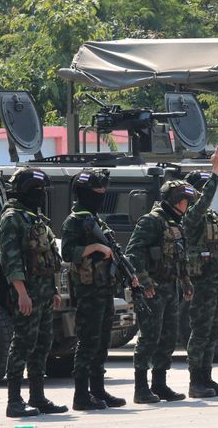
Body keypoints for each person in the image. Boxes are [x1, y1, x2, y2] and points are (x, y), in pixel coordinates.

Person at [0, 168, 68, 417]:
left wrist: (54, 290)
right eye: (36, 189)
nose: (41, 194)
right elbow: (11, 260)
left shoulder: (34, 218)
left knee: (42, 345)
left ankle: (37, 397)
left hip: (44, 293)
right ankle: (14, 401)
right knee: (23, 344)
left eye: (42, 190)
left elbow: (47, 256)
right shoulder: (13, 219)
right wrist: (22, 293)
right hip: (27, 294)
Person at [61, 168, 126, 411]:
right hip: (88, 290)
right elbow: (67, 253)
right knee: (88, 342)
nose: (101, 196)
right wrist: (95, 248)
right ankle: (81, 395)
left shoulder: (95, 219)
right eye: (97, 192)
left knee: (101, 342)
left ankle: (98, 390)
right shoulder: (74, 220)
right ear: (84, 194)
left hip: (104, 288)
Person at [126, 179, 195, 403]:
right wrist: (145, 282)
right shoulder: (151, 221)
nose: (187, 205)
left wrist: (185, 281)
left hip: (170, 288)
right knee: (149, 338)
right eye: (185, 200)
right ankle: (141, 388)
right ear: (175, 200)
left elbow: (179, 256)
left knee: (168, 338)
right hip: (153, 290)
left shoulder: (174, 223)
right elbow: (133, 252)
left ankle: (159, 384)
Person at [183, 145, 218, 398]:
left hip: (217, 277)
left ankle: (207, 377)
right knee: (201, 330)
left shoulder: (211, 216)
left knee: (214, 330)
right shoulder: (191, 215)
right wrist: (215, 171)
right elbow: (202, 202)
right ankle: (196, 381)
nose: (206, 193)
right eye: (202, 188)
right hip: (202, 280)